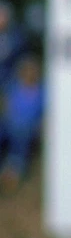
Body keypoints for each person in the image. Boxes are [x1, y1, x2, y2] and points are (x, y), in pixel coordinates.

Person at [0, 54, 45, 194]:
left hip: (29, 127)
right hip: (11, 124)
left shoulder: (42, 91)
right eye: (26, 71)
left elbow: (43, 114)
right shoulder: (14, 88)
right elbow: (7, 109)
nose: (29, 74)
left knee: (20, 135)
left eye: (31, 71)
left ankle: (13, 172)